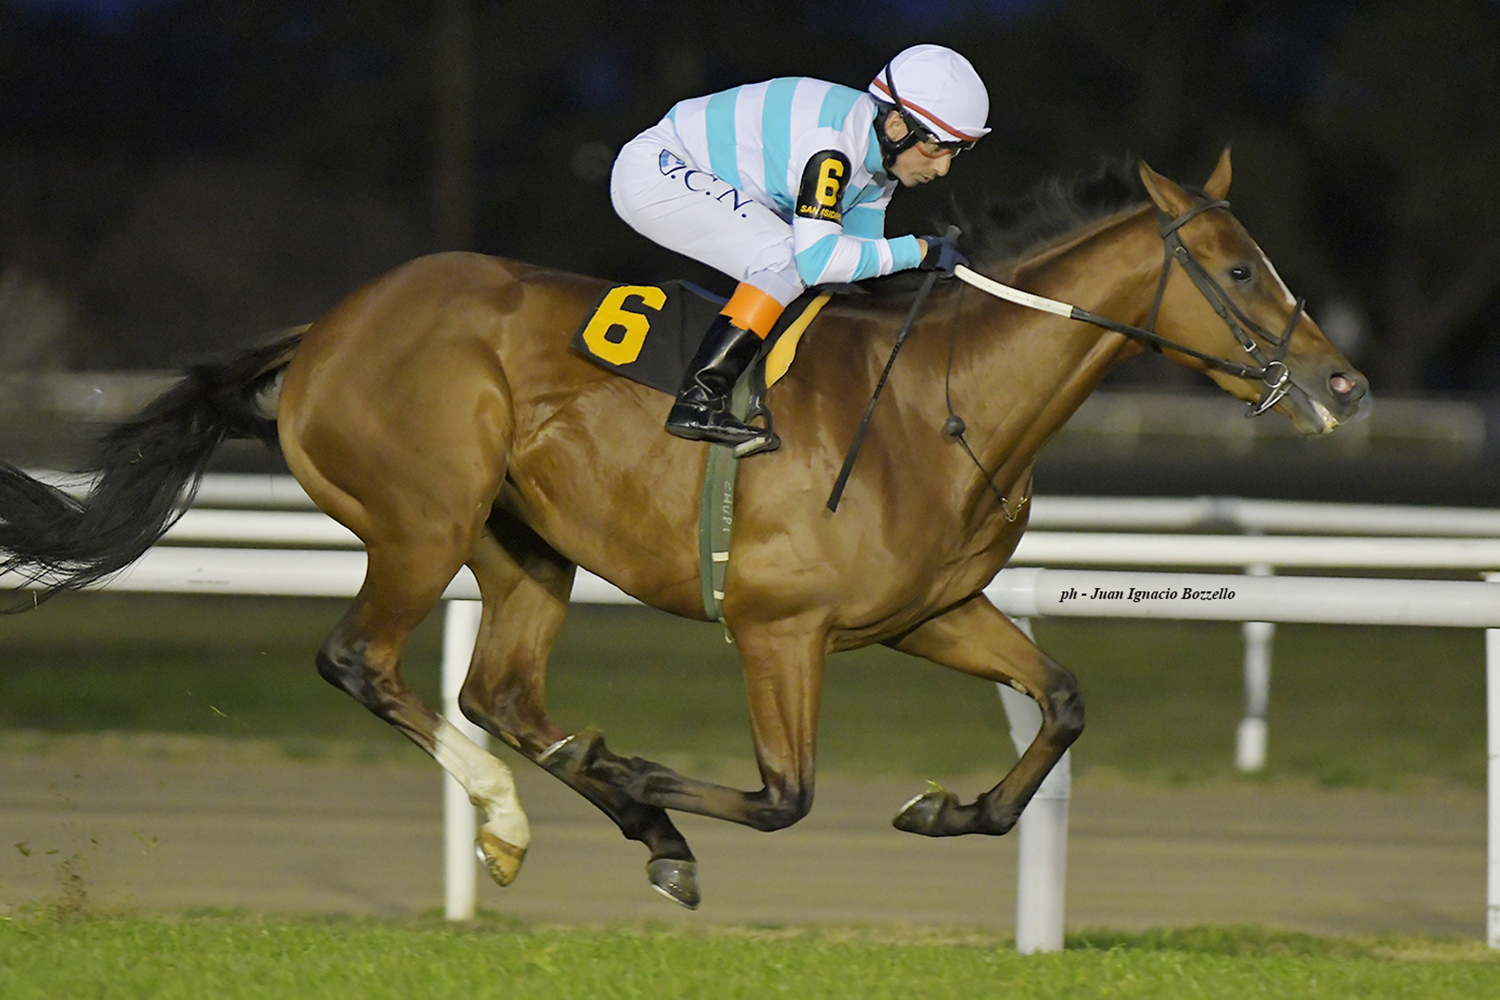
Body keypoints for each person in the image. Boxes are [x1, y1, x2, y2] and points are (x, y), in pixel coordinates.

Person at [610, 44, 988, 446]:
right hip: (656, 170)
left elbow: (858, 261)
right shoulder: (832, 148)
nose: (943, 167)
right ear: (897, 125)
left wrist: (925, 275)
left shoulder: (878, 165)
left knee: (812, 267)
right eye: (936, 147)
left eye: (956, 151)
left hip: (682, 166)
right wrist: (921, 251)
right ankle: (699, 399)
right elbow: (817, 262)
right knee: (784, 259)